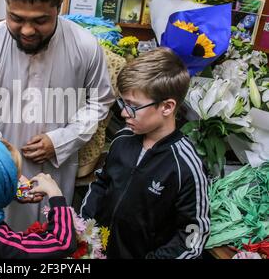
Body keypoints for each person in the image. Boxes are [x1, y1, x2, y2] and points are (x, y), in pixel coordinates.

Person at [0, 0, 115, 231]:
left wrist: (61, 140)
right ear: (6, 4)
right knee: (1, 237)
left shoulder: (85, 46)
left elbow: (100, 102)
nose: (28, 31)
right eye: (16, 18)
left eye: (40, 20)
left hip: (58, 167)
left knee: (51, 234)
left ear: (60, 5)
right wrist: (9, 163)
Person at [80, 47, 210, 259]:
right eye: (123, 102)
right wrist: (85, 226)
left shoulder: (185, 165)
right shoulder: (123, 139)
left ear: (167, 107)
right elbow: (101, 183)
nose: (123, 113)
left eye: (133, 106)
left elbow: (193, 235)